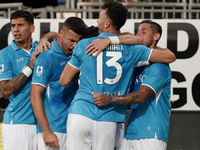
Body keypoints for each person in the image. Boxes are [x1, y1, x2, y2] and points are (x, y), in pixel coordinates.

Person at [59, 1, 175, 150]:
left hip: (80, 112)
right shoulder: (133, 50)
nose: (97, 21)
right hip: (109, 117)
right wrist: (114, 40)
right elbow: (169, 57)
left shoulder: (84, 45)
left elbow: (64, 80)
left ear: (107, 23)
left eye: (100, 18)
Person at [92, 20, 172, 150]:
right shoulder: (137, 65)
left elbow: (141, 96)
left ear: (156, 36)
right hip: (130, 133)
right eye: (137, 31)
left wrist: (109, 99)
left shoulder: (160, 66)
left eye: (144, 32)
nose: (138, 35)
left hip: (151, 135)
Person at [0, 10, 57, 150]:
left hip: (41, 124)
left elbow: (60, 35)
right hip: (18, 124)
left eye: (20, 25)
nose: (15, 29)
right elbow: (5, 90)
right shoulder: (5, 54)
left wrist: (45, 38)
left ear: (32, 28)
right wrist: (30, 67)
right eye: (13, 25)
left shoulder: (39, 48)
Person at [30, 17, 87, 150]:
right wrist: (46, 131)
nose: (74, 45)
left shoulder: (77, 55)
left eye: (78, 42)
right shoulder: (46, 56)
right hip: (54, 131)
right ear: (61, 33)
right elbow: (34, 95)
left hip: (74, 128)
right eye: (71, 41)